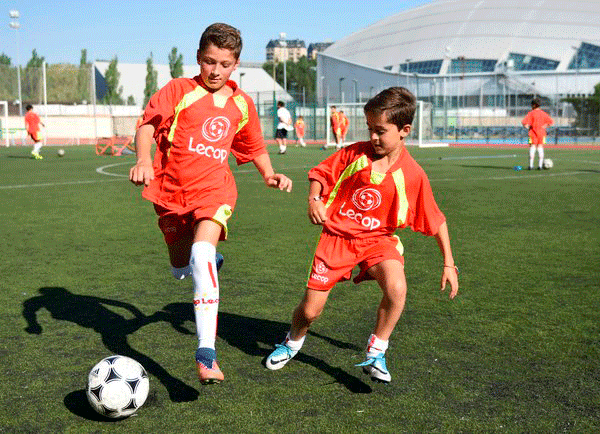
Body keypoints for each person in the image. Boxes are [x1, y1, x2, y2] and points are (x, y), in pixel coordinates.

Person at [129, 22, 293, 385]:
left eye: (225, 63)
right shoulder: (179, 90)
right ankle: (196, 260)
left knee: (201, 256)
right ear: (198, 58)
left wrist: (268, 173)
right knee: (180, 267)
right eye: (209, 62)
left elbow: (253, 147)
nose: (216, 70)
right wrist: (143, 159)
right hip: (171, 193)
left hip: (215, 192)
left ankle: (206, 353)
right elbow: (146, 125)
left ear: (236, 64)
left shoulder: (241, 104)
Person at [265, 87, 459, 384]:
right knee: (310, 311)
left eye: (380, 131)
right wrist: (314, 199)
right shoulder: (354, 154)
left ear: (405, 130)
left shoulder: (413, 174)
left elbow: (437, 220)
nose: (373, 137)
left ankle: (377, 351)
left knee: (396, 287)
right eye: (370, 129)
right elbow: (320, 174)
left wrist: (449, 263)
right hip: (337, 238)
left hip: (378, 241)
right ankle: (292, 342)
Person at [522, 97, 554, 170]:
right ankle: (540, 166)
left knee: (532, 147)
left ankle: (531, 165)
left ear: (534, 105)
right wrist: (544, 126)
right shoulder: (543, 113)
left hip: (532, 133)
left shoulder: (531, 113)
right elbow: (551, 122)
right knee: (540, 148)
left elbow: (524, 122)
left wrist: (528, 127)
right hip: (542, 133)